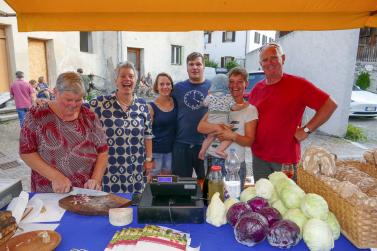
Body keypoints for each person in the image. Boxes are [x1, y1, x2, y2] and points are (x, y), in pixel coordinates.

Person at [248, 42, 337, 182]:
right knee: (262, 199)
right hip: (259, 158)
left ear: (283, 59)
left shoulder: (298, 85)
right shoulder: (257, 89)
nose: (269, 62)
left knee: (286, 201)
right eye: (265, 60)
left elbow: (329, 105)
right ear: (260, 64)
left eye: (273, 57)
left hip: (285, 160)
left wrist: (306, 130)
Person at [19, 72, 109, 193]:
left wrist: (96, 179)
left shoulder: (90, 117)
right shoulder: (37, 115)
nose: (73, 105)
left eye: (78, 100)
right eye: (68, 99)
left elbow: (103, 151)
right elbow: (26, 152)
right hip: (49, 192)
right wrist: (55, 176)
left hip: (85, 192)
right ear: (55, 92)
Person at [87, 61, 154, 194]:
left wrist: (149, 159)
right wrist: (46, 102)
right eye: (122, 76)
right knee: (111, 205)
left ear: (135, 80)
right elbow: (76, 107)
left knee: (134, 203)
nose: (127, 79)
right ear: (115, 80)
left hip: (136, 167)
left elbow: (148, 135)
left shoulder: (142, 105)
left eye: (131, 76)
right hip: (110, 167)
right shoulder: (99, 103)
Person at [198, 67, 258, 189]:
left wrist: (232, 136)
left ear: (246, 84)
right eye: (231, 81)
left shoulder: (250, 109)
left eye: (240, 81)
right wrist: (218, 127)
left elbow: (249, 140)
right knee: (211, 198)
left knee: (232, 200)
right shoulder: (219, 104)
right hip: (211, 158)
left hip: (232, 163)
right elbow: (200, 127)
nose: (235, 85)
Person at [172, 52, 211, 180]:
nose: (195, 67)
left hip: (205, 145)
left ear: (203, 66)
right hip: (181, 144)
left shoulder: (212, 87)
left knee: (207, 185)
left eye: (198, 64)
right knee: (181, 186)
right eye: (191, 64)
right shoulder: (177, 88)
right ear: (187, 67)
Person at [198, 74, 248, 160]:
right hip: (222, 120)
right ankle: (220, 150)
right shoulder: (228, 96)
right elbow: (234, 107)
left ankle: (202, 150)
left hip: (211, 120)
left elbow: (205, 104)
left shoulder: (210, 96)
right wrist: (243, 106)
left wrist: (207, 98)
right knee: (230, 136)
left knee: (210, 137)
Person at [147, 72, 177, 176]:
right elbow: (147, 134)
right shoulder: (151, 107)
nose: (165, 87)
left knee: (166, 181)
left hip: (171, 151)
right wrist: (148, 157)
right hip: (156, 152)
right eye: (161, 84)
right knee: (153, 182)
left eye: (168, 84)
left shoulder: (176, 102)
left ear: (172, 86)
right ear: (156, 86)